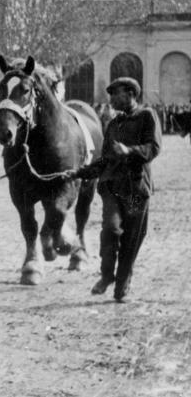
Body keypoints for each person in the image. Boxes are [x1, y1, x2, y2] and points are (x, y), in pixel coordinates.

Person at [67, 77, 161, 302]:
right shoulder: (113, 125)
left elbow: (154, 147)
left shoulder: (147, 116)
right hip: (112, 187)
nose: (111, 99)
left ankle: (122, 285)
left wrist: (129, 151)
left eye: (115, 94)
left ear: (130, 94)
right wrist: (79, 173)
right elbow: (105, 160)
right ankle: (107, 275)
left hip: (136, 189)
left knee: (131, 239)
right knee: (110, 230)